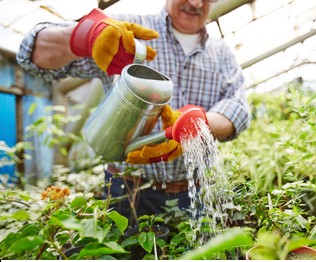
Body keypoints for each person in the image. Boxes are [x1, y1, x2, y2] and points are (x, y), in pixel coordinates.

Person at [16, 0, 250, 222]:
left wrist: (198, 123)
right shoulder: (126, 32)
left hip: (192, 190)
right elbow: (31, 55)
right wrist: (86, 36)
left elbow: (238, 108)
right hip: (126, 189)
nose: (196, 3)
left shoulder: (222, 55)